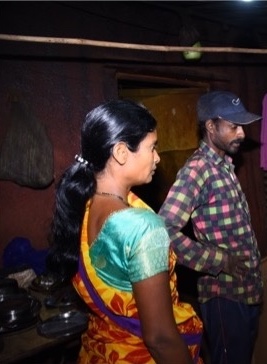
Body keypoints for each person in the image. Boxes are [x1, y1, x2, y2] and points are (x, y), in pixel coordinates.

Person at [46, 99, 204, 364]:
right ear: (121, 152)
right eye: (151, 147)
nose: (157, 157)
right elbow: (160, 339)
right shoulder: (142, 228)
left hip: (101, 352)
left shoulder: (81, 207)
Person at [158, 90, 263, 364]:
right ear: (210, 127)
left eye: (242, 126)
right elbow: (162, 232)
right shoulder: (197, 170)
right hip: (223, 295)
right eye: (233, 126)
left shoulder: (225, 165)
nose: (241, 133)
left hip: (245, 289)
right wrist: (219, 259)